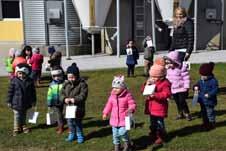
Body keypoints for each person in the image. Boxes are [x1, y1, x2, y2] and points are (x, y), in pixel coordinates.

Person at [103, 75, 136, 151]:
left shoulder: (127, 95)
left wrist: (131, 109)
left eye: (117, 88)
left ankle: (127, 144)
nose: (115, 89)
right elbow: (109, 104)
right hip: (114, 120)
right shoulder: (112, 96)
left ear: (122, 88)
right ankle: (117, 147)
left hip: (124, 119)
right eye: (114, 87)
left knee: (123, 132)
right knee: (115, 135)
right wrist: (105, 113)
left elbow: (132, 103)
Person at [141, 61, 171, 145]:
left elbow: (166, 94)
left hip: (159, 107)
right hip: (151, 107)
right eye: (151, 76)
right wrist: (146, 85)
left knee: (159, 123)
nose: (152, 78)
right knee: (152, 122)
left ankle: (161, 136)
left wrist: (155, 95)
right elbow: (143, 91)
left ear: (161, 76)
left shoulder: (165, 83)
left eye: (155, 77)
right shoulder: (151, 82)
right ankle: (153, 133)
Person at [60, 63, 88, 143]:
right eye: (69, 77)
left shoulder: (82, 84)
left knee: (77, 122)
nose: (71, 79)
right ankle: (72, 134)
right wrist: (64, 99)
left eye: (73, 77)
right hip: (68, 108)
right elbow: (61, 93)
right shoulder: (65, 84)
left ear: (77, 76)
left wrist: (74, 99)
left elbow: (83, 95)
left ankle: (79, 135)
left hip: (78, 108)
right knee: (69, 122)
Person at [6, 63, 36, 136]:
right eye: (19, 73)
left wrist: (33, 101)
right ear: (17, 73)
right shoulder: (14, 81)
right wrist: (9, 101)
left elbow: (33, 92)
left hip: (26, 102)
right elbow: (10, 92)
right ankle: (16, 127)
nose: (21, 75)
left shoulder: (30, 81)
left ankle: (23, 125)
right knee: (17, 115)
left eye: (23, 74)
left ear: (26, 73)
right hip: (16, 102)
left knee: (24, 114)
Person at [164, 51, 192, 121]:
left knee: (182, 101)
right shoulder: (168, 69)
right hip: (173, 89)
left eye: (169, 63)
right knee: (177, 102)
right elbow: (167, 78)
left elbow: (186, 78)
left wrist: (186, 86)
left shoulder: (182, 68)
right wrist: (167, 87)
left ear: (175, 61)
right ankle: (180, 113)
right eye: (167, 63)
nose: (168, 64)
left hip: (182, 88)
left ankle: (187, 113)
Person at [194, 62, 218, 130]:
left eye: (204, 76)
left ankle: (212, 123)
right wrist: (195, 87)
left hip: (210, 101)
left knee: (210, 113)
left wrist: (209, 94)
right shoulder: (201, 80)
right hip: (202, 101)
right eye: (201, 75)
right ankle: (205, 123)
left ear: (209, 75)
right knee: (203, 113)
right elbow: (197, 84)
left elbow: (215, 89)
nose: (202, 77)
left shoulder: (213, 81)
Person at [47, 66, 65, 134]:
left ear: (62, 75)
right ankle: (60, 126)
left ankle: (70, 126)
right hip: (55, 103)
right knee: (58, 115)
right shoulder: (51, 84)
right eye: (54, 76)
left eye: (58, 76)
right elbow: (49, 94)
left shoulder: (65, 83)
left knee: (66, 115)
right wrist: (49, 103)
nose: (56, 78)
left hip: (64, 102)